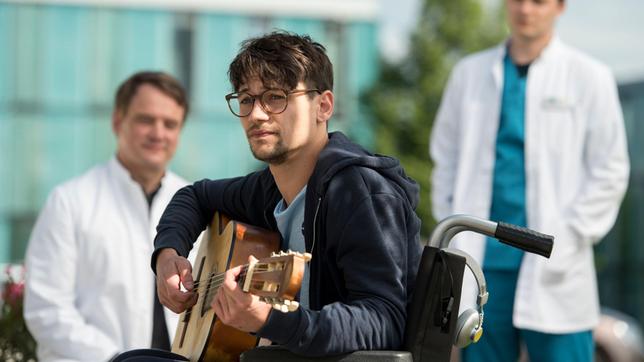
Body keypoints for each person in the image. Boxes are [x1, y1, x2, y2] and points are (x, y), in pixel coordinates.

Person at [152, 31, 422, 357]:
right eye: (247, 99)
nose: (256, 114)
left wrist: (272, 320)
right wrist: (168, 255)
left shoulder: (360, 193)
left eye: (276, 97)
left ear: (323, 106)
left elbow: (385, 321)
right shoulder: (270, 188)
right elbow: (195, 196)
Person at [430, 0, 630, 361]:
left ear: (559, 6)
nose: (525, 9)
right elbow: (445, 158)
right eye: (517, 0)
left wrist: (571, 236)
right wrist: (454, 221)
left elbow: (610, 170)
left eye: (538, 1)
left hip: (557, 262)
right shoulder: (469, 74)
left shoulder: (589, 76)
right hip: (483, 263)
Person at [24, 71, 192, 361]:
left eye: (170, 124)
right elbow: (46, 308)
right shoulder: (69, 202)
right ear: (118, 121)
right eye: (145, 120)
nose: (158, 133)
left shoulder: (193, 204)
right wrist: (117, 359)